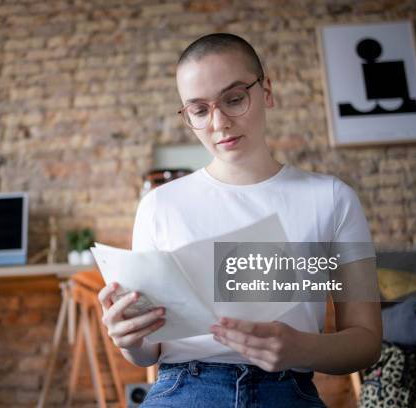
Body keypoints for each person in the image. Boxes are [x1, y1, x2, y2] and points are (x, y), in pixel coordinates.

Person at [98, 33, 381, 407]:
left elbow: (366, 342)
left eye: (234, 99)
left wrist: (302, 349)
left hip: (288, 389)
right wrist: (130, 341)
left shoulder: (331, 198)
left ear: (267, 92)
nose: (219, 122)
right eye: (199, 110)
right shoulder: (159, 205)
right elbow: (149, 353)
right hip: (184, 389)